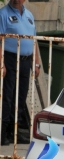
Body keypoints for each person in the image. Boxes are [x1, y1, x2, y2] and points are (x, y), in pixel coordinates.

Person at [0, 0, 40, 146]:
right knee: (7, 96)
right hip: (10, 59)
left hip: (25, 61)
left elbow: (34, 41)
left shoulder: (29, 15)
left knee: (21, 96)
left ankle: (13, 132)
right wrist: (1, 62)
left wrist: (36, 63)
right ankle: (2, 133)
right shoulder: (3, 14)